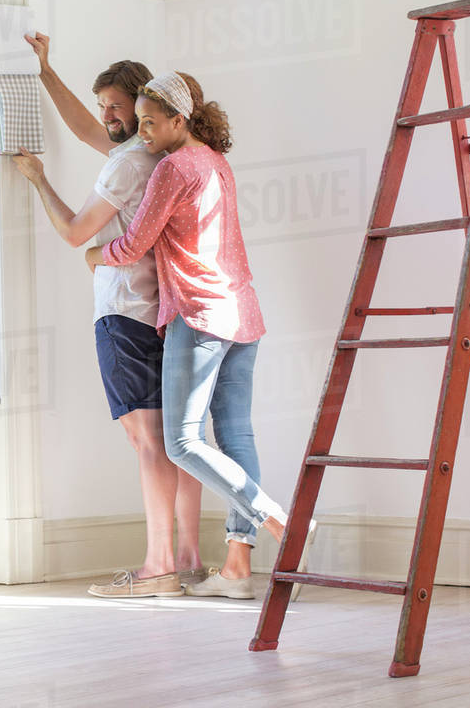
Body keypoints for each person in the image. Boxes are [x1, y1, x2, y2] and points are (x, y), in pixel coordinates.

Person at [84, 71, 293, 599]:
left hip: (198, 315)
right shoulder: (217, 163)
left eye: (151, 123)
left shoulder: (174, 167)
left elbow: (133, 244)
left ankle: (275, 518)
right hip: (243, 311)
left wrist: (93, 255)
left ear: (180, 120)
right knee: (237, 437)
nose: (144, 133)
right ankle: (238, 572)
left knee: (179, 442)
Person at [13, 34, 204, 598]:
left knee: (150, 444)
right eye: (105, 108)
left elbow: (76, 233)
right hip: (166, 312)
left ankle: (157, 566)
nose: (108, 118)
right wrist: (46, 71)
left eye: (117, 107)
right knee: (178, 441)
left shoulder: (127, 165)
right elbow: (84, 129)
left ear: (144, 109)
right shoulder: (165, 156)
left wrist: (38, 180)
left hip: (124, 313)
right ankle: (188, 560)